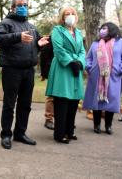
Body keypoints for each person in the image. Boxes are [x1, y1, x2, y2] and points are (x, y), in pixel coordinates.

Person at [0, 0, 49, 149]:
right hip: (12, 70)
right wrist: (18, 36)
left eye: (25, 5)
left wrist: (39, 44)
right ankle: (6, 135)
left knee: (25, 104)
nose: (24, 8)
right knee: (9, 104)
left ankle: (20, 133)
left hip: (28, 71)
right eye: (20, 5)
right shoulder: (5, 23)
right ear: (13, 7)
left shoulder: (31, 26)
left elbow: (34, 46)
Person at [45, 7, 86, 144]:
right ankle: (59, 133)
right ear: (62, 17)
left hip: (76, 69)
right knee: (62, 100)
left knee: (74, 101)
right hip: (63, 67)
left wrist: (80, 62)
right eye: (67, 14)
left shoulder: (79, 32)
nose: (70, 16)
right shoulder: (57, 30)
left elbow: (82, 51)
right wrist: (70, 62)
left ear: (76, 16)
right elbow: (58, 49)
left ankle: (70, 130)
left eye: (72, 14)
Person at [83, 23, 122, 134]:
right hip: (96, 76)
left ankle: (108, 125)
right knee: (96, 100)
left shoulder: (121, 42)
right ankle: (96, 125)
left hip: (113, 76)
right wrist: (89, 68)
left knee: (111, 100)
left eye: (105, 28)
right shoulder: (96, 43)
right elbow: (88, 58)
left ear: (112, 30)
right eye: (102, 28)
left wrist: (121, 69)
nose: (102, 30)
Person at [40, 36, 54, 130]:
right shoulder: (52, 38)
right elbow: (43, 55)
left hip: (67, 71)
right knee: (51, 95)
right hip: (53, 70)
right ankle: (49, 119)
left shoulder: (73, 35)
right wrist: (44, 73)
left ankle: (64, 120)